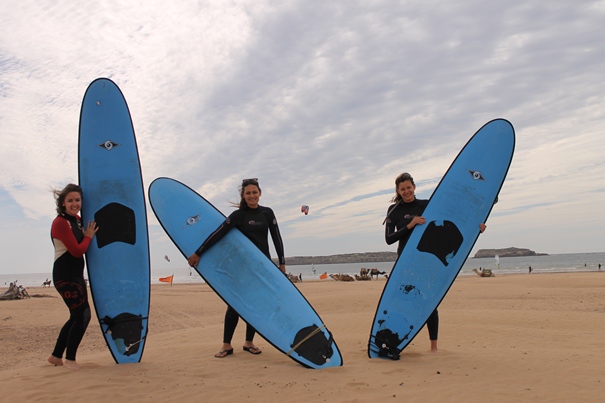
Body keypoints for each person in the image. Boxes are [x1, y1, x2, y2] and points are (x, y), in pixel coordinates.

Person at [384, 172, 486, 353]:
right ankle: (394, 341)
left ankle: (434, 347)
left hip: (427, 261)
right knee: (399, 302)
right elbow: (389, 239)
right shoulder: (394, 210)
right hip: (405, 263)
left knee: (429, 303)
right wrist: (410, 225)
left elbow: (454, 217)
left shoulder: (427, 205)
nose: (406, 191)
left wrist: (476, 227)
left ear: (414, 187)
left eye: (409, 187)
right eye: (402, 189)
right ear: (398, 191)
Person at [187, 178, 286, 358]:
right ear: (243, 195)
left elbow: (276, 238)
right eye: (248, 193)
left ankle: (249, 342)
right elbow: (218, 234)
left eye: (254, 192)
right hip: (242, 268)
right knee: (234, 304)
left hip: (262, 267)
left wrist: (281, 263)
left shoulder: (267, 213)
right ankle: (226, 345)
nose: (252, 196)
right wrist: (198, 253)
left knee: (255, 304)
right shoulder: (238, 216)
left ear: (260, 193)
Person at [48, 184, 98, 371]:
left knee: (75, 316)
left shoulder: (77, 220)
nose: (74, 204)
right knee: (83, 316)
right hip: (65, 275)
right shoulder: (60, 222)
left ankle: (55, 356)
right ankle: (70, 360)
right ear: (62, 203)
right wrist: (89, 236)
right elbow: (77, 251)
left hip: (75, 275)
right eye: (70, 200)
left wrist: (87, 235)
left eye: (77, 200)